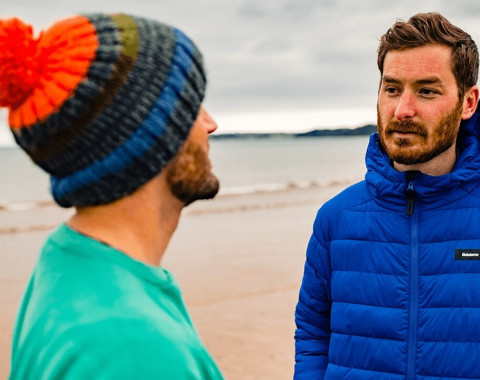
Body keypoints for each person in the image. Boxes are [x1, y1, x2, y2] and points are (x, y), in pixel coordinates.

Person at [1, 13, 224, 379]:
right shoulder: (137, 346)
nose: (210, 124)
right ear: (149, 141)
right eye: (191, 107)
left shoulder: (66, 259)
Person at [294, 12, 480, 379]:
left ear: (468, 103)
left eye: (426, 91)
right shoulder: (336, 219)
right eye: (392, 89)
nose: (402, 110)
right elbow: (313, 334)